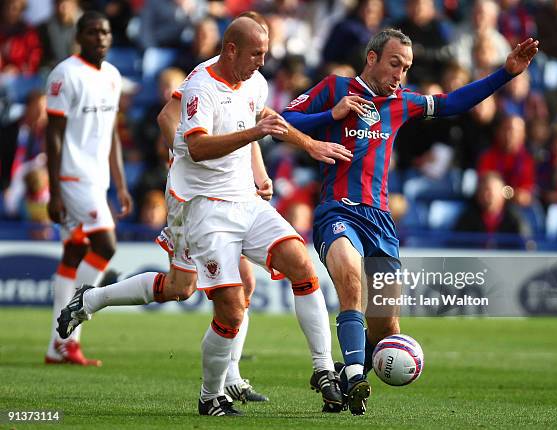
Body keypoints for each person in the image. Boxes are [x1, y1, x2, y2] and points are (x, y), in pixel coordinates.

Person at [58, 16, 353, 416]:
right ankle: (211, 392)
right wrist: (185, 151)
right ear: (230, 49)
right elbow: (195, 144)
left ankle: (322, 370)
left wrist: (305, 147)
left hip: (243, 200)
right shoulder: (200, 85)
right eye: (256, 54)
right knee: (211, 297)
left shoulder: (254, 81)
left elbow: (258, 118)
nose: (262, 62)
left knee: (302, 266)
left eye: (265, 54)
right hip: (200, 205)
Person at [282, 28, 538, 414]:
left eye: (406, 67)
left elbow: (452, 103)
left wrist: (505, 73)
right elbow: (284, 121)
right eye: (394, 63)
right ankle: (353, 377)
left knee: (386, 327)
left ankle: (342, 371)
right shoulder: (335, 88)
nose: (400, 74)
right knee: (350, 281)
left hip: (381, 221)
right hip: (338, 210)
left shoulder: (402, 102)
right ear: (372, 59)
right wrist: (329, 116)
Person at [44, 11, 133, 366]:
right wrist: (53, 190)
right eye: (93, 32)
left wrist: (121, 184)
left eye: (105, 32)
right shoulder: (65, 74)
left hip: (98, 180)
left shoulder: (112, 75)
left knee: (73, 254)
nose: (101, 37)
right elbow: (52, 135)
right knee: (105, 244)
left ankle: (59, 344)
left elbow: (111, 132)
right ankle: (77, 311)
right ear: (79, 36)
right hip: (72, 178)